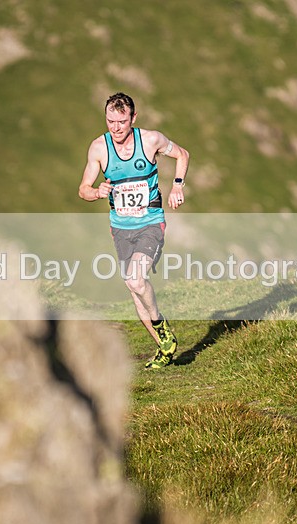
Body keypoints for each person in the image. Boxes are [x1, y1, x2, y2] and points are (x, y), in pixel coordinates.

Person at [79, 92, 190, 369]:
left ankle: (161, 327)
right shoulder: (99, 148)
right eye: (110, 121)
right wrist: (96, 192)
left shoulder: (150, 140)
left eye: (121, 121)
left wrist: (177, 184)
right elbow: (83, 189)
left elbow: (182, 155)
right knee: (135, 291)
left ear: (133, 118)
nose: (115, 128)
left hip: (150, 222)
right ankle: (164, 350)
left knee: (134, 279)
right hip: (120, 228)